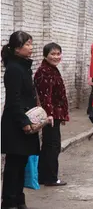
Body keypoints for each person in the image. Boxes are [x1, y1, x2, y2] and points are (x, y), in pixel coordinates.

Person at [1, 31, 52, 209]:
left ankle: (18, 199)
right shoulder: (14, 69)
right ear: (17, 48)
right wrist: (24, 123)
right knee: (13, 164)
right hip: (16, 123)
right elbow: (14, 101)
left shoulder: (23, 67)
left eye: (31, 44)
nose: (31, 48)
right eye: (28, 44)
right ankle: (8, 202)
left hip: (25, 120)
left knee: (21, 163)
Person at [34, 43, 69, 186]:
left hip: (56, 115)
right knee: (52, 146)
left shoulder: (52, 69)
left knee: (50, 145)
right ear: (45, 55)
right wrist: (49, 115)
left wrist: (62, 115)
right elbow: (45, 96)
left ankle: (43, 176)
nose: (56, 57)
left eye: (58, 54)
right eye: (52, 54)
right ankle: (50, 178)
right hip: (50, 116)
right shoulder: (45, 72)